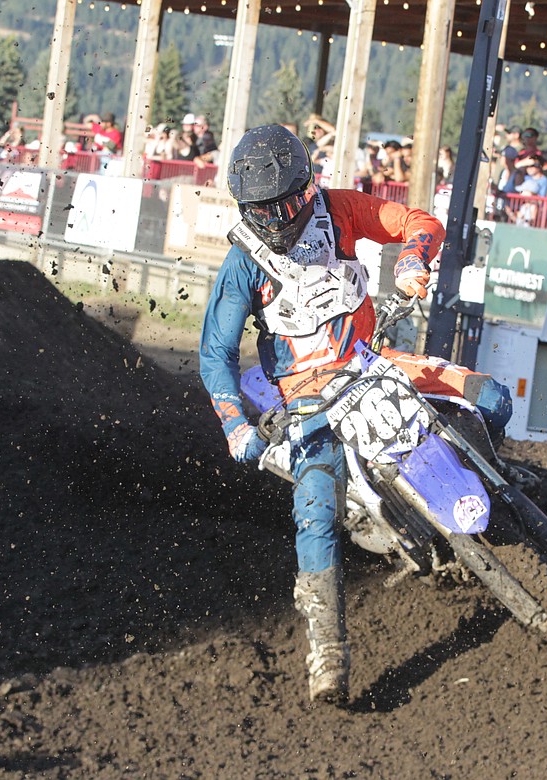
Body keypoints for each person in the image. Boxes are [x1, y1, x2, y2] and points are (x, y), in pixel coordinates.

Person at [198, 124, 514, 706]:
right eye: (260, 209)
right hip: (307, 397)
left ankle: (502, 496)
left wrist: (414, 261)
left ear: (306, 187)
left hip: (375, 361)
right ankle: (327, 647)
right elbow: (214, 351)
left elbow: (419, 222)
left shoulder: (339, 211)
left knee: (490, 398)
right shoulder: (243, 260)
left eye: (284, 204)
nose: (274, 218)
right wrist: (233, 424)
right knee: (314, 508)